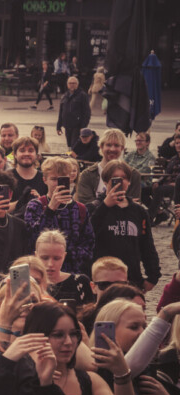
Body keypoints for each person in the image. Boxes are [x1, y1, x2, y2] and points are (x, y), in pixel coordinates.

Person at [90, 159, 159, 291]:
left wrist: (152, 277)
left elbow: (147, 246)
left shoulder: (139, 211)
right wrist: (105, 206)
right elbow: (88, 235)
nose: (120, 182)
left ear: (129, 182)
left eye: (124, 178)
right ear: (105, 181)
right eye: (114, 178)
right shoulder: (94, 209)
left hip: (131, 279)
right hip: (103, 281)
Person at [75, 129, 142, 206]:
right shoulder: (86, 175)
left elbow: (134, 208)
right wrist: (123, 203)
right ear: (101, 147)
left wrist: (100, 204)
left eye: (116, 145)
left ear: (122, 148)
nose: (112, 149)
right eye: (108, 145)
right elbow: (86, 208)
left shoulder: (133, 175)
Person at [35, 229, 96, 308]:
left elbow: (90, 316)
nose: (50, 264)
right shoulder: (28, 284)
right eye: (45, 258)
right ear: (36, 256)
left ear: (64, 256)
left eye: (56, 258)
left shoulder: (80, 282)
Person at [56, 75, 91, 151]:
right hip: (67, 125)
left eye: (74, 83)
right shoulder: (65, 96)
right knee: (69, 145)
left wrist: (84, 126)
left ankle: (75, 160)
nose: (72, 85)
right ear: (67, 84)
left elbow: (87, 112)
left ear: (77, 84)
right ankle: (70, 158)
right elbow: (61, 112)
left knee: (74, 144)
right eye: (70, 83)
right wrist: (58, 126)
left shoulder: (82, 95)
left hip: (77, 125)